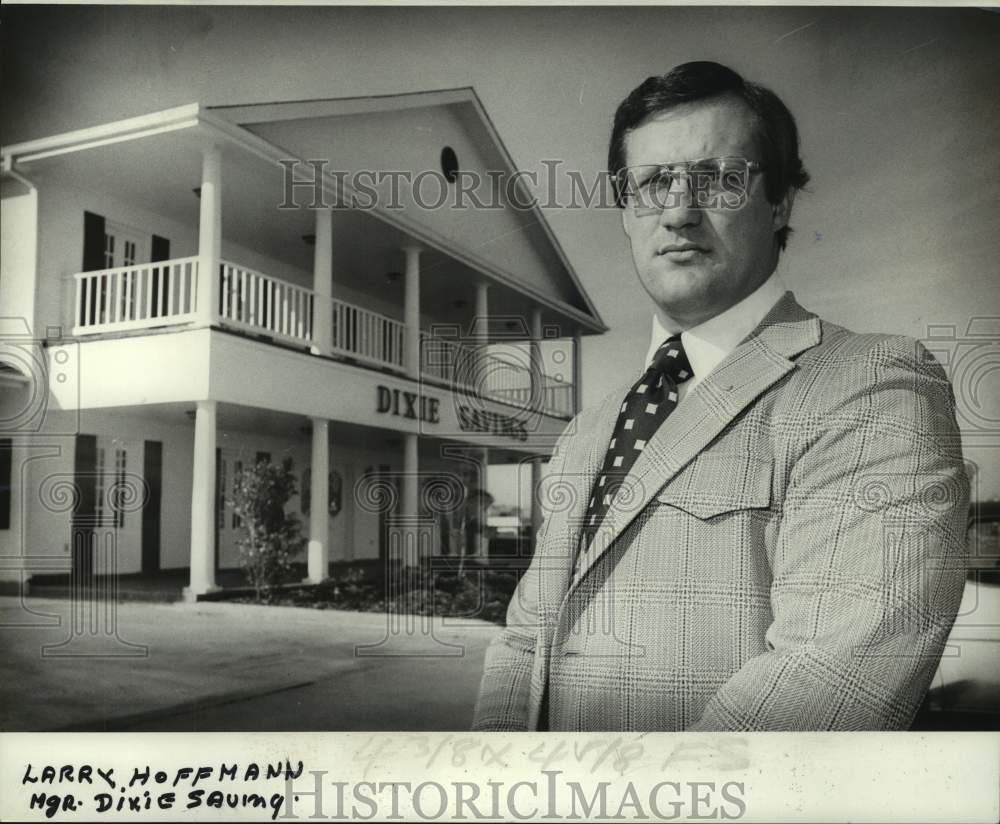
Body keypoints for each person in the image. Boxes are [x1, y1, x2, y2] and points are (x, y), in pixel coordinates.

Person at [471, 61, 969, 731]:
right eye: (653, 183)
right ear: (625, 212)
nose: (679, 211)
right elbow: (524, 642)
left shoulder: (870, 385)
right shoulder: (587, 429)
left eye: (720, 179)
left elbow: (831, 680)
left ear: (780, 202)